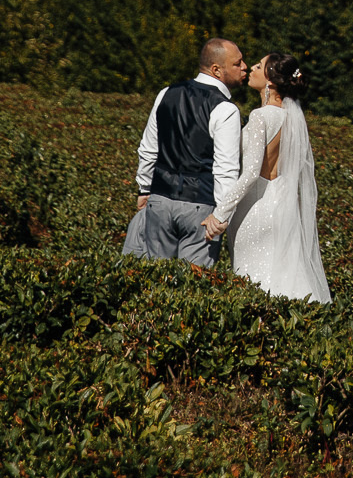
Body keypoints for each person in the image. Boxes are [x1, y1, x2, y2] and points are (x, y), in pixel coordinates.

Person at [201, 51, 331, 303]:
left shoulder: (261, 117)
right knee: (280, 275)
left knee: (254, 278)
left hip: (255, 211)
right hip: (280, 208)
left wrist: (221, 213)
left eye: (259, 66)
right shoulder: (289, 119)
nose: (251, 69)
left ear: (270, 80)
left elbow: (250, 173)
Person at [123, 37, 247, 267]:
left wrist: (145, 188)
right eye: (237, 63)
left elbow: (149, 148)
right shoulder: (226, 109)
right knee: (193, 286)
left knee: (157, 281)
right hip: (200, 207)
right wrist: (222, 216)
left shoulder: (166, 93)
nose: (245, 67)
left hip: (159, 199)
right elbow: (226, 169)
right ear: (217, 70)